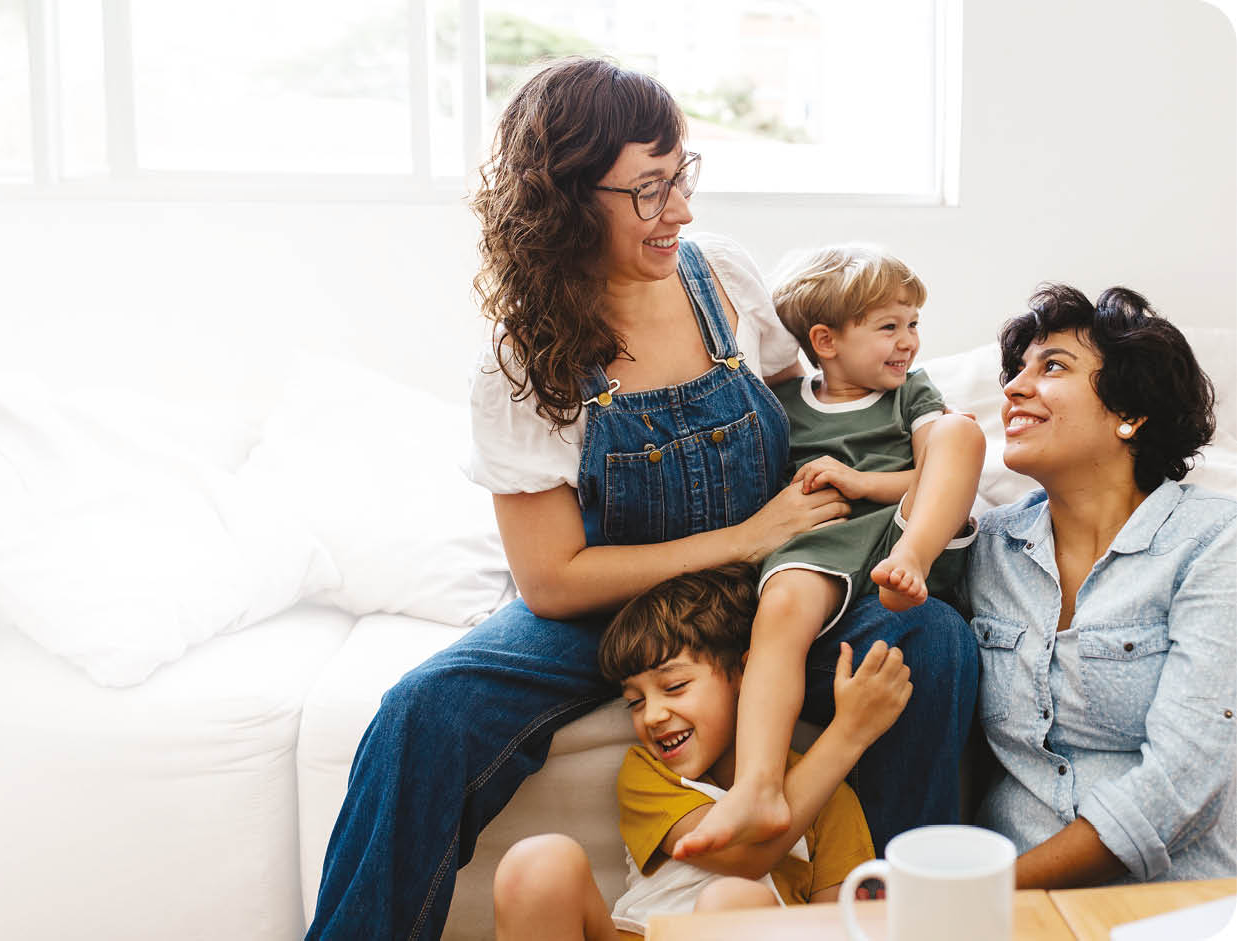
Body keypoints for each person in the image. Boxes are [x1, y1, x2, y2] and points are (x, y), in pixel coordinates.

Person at [303, 58, 978, 940]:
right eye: (650, 191)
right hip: (616, 602)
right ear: (568, 198)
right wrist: (738, 537)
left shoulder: (724, 281)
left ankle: (910, 920)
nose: (682, 212)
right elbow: (550, 580)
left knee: (929, 642)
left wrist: (869, 493)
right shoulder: (523, 365)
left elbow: (806, 414)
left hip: (775, 581)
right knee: (425, 711)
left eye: (681, 178)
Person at [677, 245, 985, 857]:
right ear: (825, 340)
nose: (909, 343)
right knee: (783, 607)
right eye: (889, 327)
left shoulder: (911, 395)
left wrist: (865, 483)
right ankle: (758, 785)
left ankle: (915, 563)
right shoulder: (785, 407)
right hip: (824, 539)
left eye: (914, 324)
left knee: (960, 429)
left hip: (903, 532)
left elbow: (935, 469)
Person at [965, 284, 1235, 887]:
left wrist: (981, 893)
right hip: (1012, 906)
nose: (1013, 388)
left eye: (1052, 366)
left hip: (1172, 899)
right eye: (1016, 369)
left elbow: (1185, 777)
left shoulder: (1216, 541)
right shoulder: (988, 549)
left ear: (1130, 413)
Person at [492, 565, 909, 940]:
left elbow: (836, 925)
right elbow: (739, 854)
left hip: (745, 924)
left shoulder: (830, 799)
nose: (652, 715)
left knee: (730, 904)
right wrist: (848, 733)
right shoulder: (650, 773)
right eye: (635, 702)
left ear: (745, 674)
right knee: (537, 865)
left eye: (674, 687)